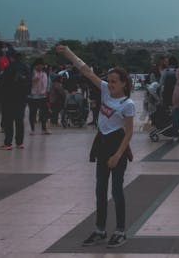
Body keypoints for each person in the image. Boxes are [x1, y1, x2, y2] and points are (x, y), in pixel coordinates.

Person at [56, 45, 135, 249]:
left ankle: (120, 230)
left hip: (117, 146)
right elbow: (86, 71)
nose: (110, 85)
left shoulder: (128, 104)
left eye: (114, 82)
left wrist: (118, 155)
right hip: (102, 144)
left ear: (124, 83)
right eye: (109, 81)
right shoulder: (106, 92)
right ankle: (100, 230)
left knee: (116, 191)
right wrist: (68, 53)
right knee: (100, 190)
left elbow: (129, 133)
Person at [0, 47, 31, 150]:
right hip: (21, 98)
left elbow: (3, 83)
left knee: (8, 121)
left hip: (9, 98)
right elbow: (29, 83)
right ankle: (19, 143)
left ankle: (8, 143)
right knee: (19, 121)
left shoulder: (9, 68)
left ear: (11, 58)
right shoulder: (26, 68)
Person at [28, 59, 50, 135]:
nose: (41, 67)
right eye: (39, 65)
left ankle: (44, 129)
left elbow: (47, 83)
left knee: (44, 113)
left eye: (42, 65)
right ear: (35, 65)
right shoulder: (31, 73)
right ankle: (32, 129)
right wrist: (32, 80)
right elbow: (27, 82)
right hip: (32, 96)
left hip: (42, 96)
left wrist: (47, 92)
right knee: (32, 113)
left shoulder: (44, 73)